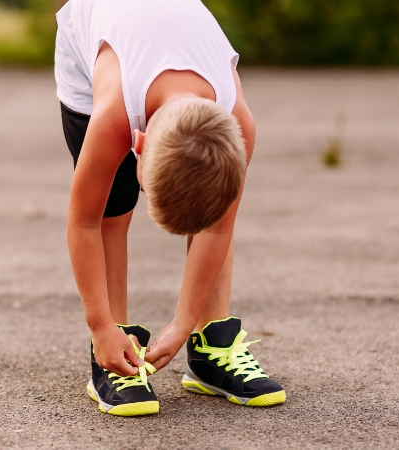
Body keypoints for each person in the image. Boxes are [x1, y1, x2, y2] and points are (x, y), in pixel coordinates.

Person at [55, 0, 286, 417]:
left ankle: (210, 345)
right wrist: (99, 325)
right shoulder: (112, 118)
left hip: (166, 38)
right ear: (137, 144)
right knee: (112, 207)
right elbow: (82, 222)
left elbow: (217, 229)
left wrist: (183, 323)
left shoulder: (239, 126)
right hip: (92, 36)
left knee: (211, 206)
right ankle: (114, 348)